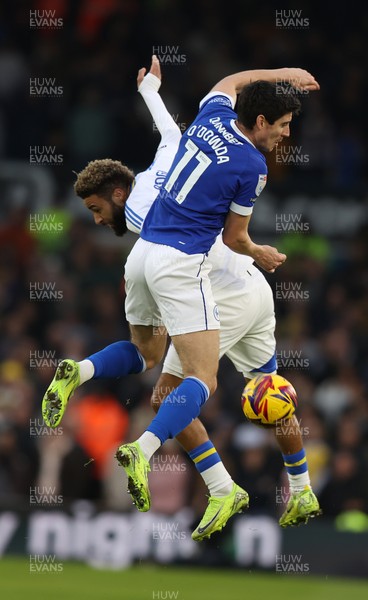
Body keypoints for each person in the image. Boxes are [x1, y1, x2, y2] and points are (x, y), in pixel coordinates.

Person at [43, 57, 321, 540]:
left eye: (94, 211)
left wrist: (152, 89)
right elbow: (187, 123)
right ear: (259, 120)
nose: (285, 135)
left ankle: (200, 478)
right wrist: (152, 90)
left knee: (170, 389)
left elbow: (220, 90)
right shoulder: (224, 159)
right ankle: (300, 487)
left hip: (199, 276)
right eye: (282, 125)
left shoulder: (199, 135)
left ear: (117, 192)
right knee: (267, 390)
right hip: (244, 285)